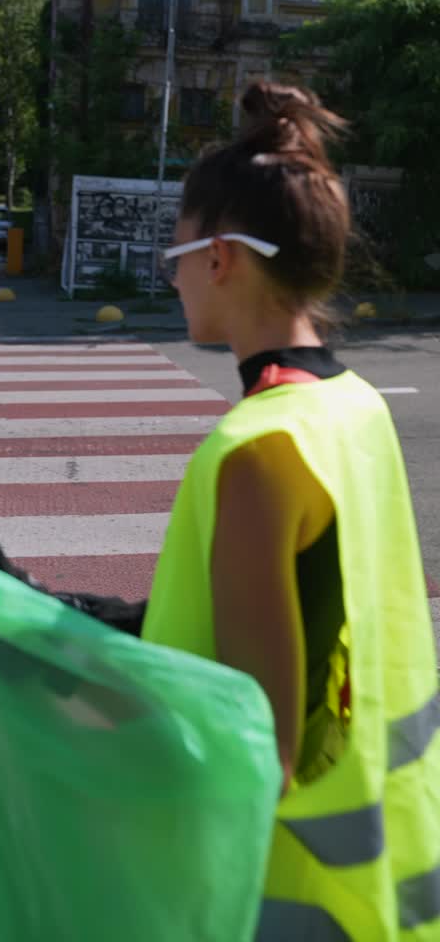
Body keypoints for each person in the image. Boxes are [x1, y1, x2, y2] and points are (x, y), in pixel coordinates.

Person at [140, 81, 440, 939]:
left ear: (221, 258)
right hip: (390, 875)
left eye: (176, 257)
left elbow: (254, 755)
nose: (176, 278)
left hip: (287, 896)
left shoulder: (256, 450)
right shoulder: (355, 408)